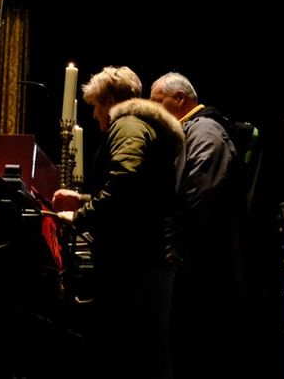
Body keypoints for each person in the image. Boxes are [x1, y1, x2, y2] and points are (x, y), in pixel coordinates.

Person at [52, 67, 185, 379]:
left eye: (96, 106)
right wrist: (82, 199)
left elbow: (126, 184)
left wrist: (79, 216)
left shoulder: (126, 124)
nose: (96, 116)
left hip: (138, 261)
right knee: (147, 351)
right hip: (148, 257)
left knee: (135, 353)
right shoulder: (141, 125)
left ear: (109, 101)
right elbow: (142, 193)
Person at [149, 72, 245, 379]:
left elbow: (200, 198)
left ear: (180, 99)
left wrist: (170, 245)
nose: (152, 109)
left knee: (198, 355)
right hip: (194, 262)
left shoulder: (206, 132)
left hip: (205, 267)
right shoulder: (188, 131)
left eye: (157, 101)